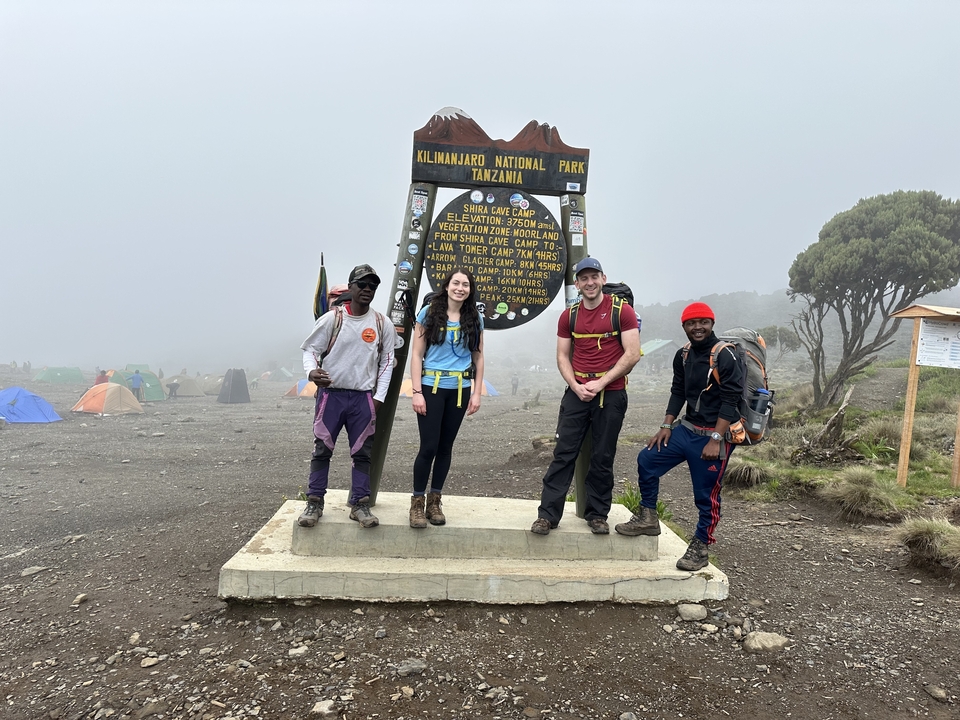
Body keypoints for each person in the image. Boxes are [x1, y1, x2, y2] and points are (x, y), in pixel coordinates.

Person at [616, 302, 744, 571]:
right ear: (684, 326)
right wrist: (666, 425)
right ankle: (648, 517)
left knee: (706, 496)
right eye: (691, 323)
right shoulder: (683, 355)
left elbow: (731, 399)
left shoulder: (725, 355)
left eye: (703, 322)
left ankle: (700, 546)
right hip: (686, 430)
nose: (697, 327)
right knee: (647, 460)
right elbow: (678, 390)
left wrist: (716, 439)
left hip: (714, 437)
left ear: (712, 323)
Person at [531, 257, 641, 536]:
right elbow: (562, 356)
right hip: (576, 394)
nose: (589, 283)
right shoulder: (569, 315)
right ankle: (547, 516)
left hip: (612, 394)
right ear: (577, 284)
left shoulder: (622, 312)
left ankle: (597, 514)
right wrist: (576, 385)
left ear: (603, 279)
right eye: (584, 278)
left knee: (603, 456)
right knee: (563, 453)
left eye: (594, 277)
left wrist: (601, 382)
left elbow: (632, 353)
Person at [297, 264, 399, 529]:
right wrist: (311, 373)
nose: (367, 290)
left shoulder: (381, 323)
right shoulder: (333, 319)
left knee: (362, 453)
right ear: (350, 287)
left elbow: (388, 361)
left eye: (373, 286)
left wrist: (379, 397)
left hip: (363, 398)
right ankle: (315, 502)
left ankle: (360, 505)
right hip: (331, 397)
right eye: (362, 285)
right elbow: (310, 350)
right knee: (322, 450)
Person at [408, 269, 485, 528]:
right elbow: (417, 354)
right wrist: (416, 392)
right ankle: (417, 503)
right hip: (431, 386)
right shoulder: (429, 313)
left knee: (445, 447)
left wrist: (477, 392)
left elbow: (478, 356)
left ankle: (435, 501)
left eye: (465, 284)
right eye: (456, 283)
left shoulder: (475, 318)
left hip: (460, 388)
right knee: (428, 446)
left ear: (470, 290)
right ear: (447, 286)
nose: (460, 288)